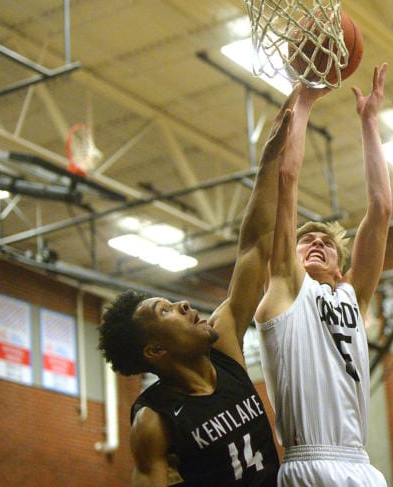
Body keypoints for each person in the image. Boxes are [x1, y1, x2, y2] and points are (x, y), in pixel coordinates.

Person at [97, 87, 300, 487]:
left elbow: (254, 248)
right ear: (156, 350)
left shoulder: (224, 344)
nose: (183, 305)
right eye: (165, 311)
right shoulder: (154, 421)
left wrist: (268, 161)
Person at [254, 63, 391, 486]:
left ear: (339, 262)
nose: (316, 243)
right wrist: (306, 98)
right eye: (305, 240)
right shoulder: (286, 287)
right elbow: (286, 179)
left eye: (327, 243)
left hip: (362, 466)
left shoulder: (354, 297)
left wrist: (369, 122)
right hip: (308, 462)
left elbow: (381, 208)